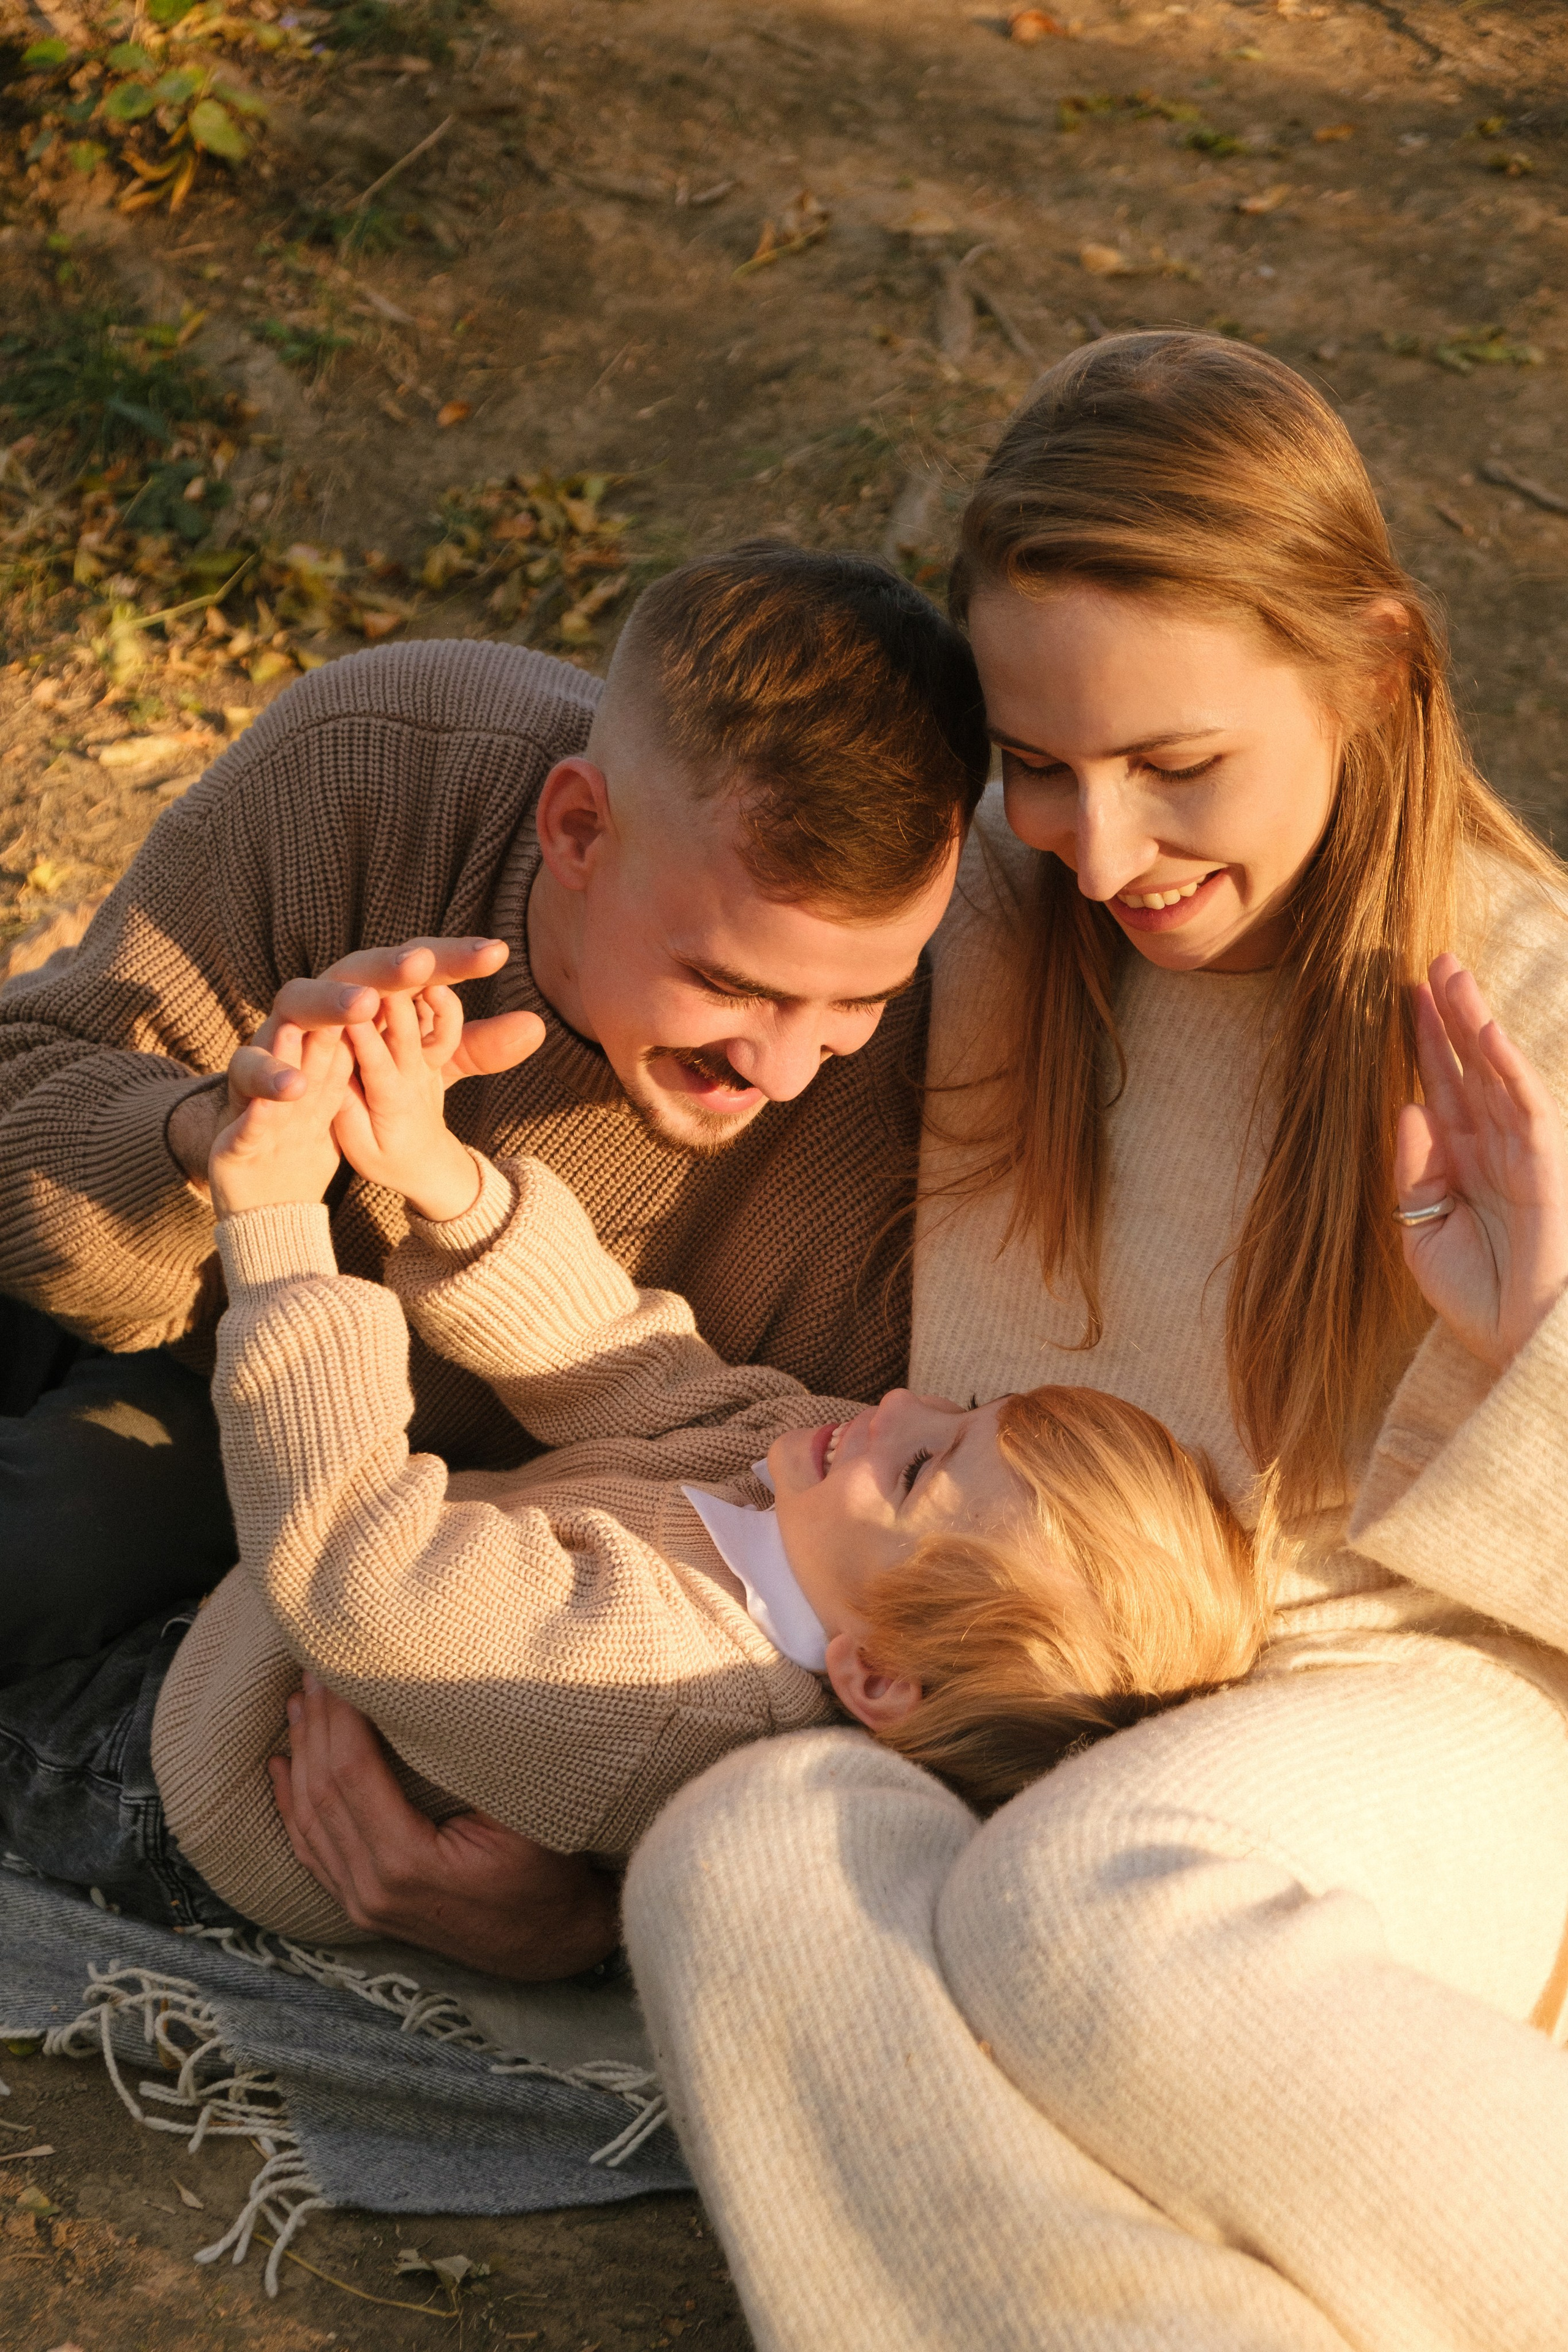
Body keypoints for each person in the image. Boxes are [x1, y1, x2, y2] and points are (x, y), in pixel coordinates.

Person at [618, 333, 1568, 2352]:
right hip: (1048, 1677)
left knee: (1082, 1910)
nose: (1105, 848)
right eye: (1038, 766)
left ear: (1380, 665)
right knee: (741, 1857)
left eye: (1178, 767)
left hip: (1410, 1714)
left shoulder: (1529, 1006)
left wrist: (1531, 1360)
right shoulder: (1001, 927)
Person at [0, 965, 1275, 1970]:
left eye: (923, 1468)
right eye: (965, 1408)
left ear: (873, 1674)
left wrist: (277, 1226)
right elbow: (629, 1363)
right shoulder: (812, 1498)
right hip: (265, 1630)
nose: (895, 1407)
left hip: (175, 1760)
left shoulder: (650, 1684)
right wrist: (436, 1177)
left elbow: (354, 1566)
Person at [0, 541, 986, 1688]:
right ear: (576, 831)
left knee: (52, 1543)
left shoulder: (917, 1110)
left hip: (359, 1488)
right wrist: (206, 1132)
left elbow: (800, 1562)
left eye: (860, 998)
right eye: (730, 984)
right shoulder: (378, 758)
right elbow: (25, 1086)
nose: (785, 1068)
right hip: (138, 1267)